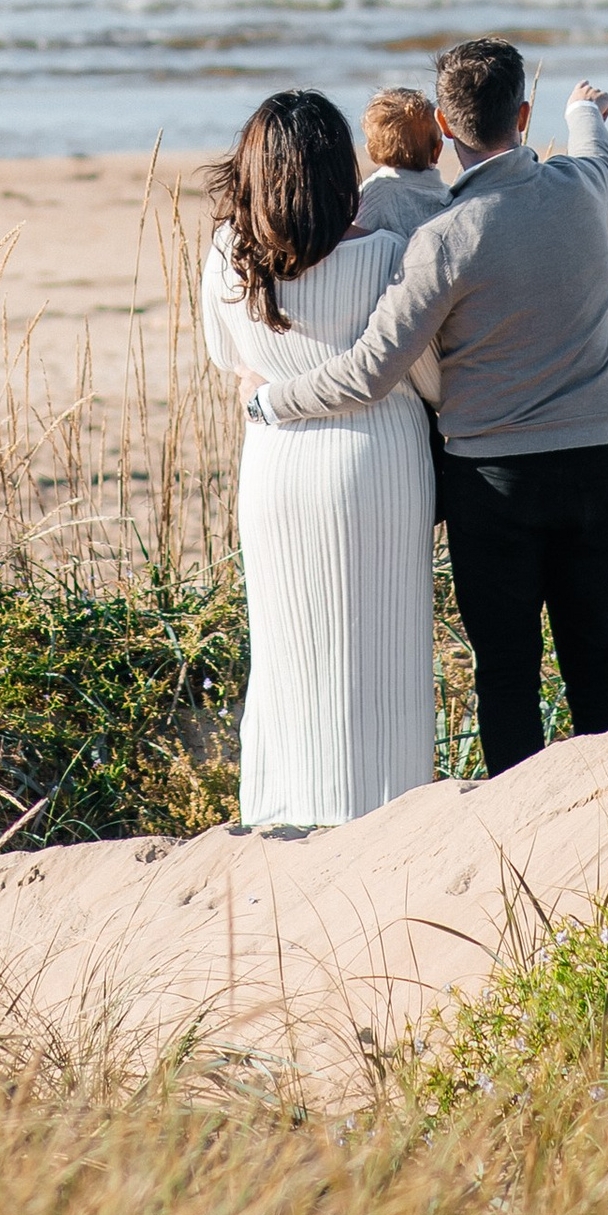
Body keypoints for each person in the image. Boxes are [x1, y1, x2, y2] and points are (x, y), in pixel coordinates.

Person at [241, 38, 608, 777]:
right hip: (595, 466)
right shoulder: (584, 188)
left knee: (507, 674)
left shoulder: (443, 240)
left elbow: (369, 373)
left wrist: (270, 402)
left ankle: (520, 822)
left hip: (494, 485)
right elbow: (595, 144)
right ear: (523, 114)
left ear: (446, 129)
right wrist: (585, 109)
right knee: (597, 663)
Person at [200, 88, 437, 828]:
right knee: (384, 655)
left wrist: (276, 384)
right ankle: (385, 819)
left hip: (276, 469)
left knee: (285, 655)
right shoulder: (390, 258)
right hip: (378, 467)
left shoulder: (227, 258)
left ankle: (284, 812)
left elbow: (227, 359)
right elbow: (430, 377)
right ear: (342, 170)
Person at [354, 83, 455, 234]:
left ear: (370, 148)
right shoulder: (450, 198)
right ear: (437, 151)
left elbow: (357, 238)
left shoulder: (375, 192)